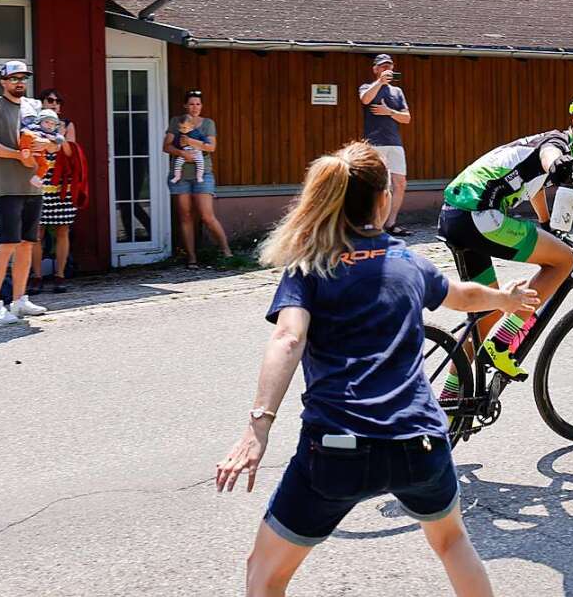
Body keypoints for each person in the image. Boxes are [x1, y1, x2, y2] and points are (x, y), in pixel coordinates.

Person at [216, 141, 539, 597]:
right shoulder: (408, 262)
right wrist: (505, 299)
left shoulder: (311, 266)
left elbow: (288, 338)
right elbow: (462, 296)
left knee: (264, 574)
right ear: (383, 199)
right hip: (420, 443)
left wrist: (258, 426)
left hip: (336, 449)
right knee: (451, 542)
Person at [437, 86, 573, 383]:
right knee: (563, 261)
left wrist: (546, 223)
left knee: (484, 320)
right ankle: (503, 344)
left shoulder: (562, 148)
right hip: (479, 214)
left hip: (456, 216)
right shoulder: (557, 142)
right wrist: (556, 163)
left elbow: (536, 186)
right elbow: (547, 156)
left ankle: (449, 408)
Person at [0, 61, 54, 324]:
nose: (19, 82)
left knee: (27, 245)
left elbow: (51, 139)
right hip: (8, 187)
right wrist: (17, 155)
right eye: (13, 78)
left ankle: (19, 301)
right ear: (3, 81)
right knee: (7, 244)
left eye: (23, 78)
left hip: (33, 186)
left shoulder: (35, 106)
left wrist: (47, 143)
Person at [163, 90, 232, 268]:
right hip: (181, 176)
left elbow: (211, 147)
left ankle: (227, 251)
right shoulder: (176, 122)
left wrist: (191, 142)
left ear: (202, 106)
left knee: (207, 215)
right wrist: (181, 153)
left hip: (203, 175)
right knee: (185, 215)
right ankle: (192, 257)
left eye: (198, 104)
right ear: (186, 105)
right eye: (192, 104)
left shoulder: (208, 123)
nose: (195, 107)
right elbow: (167, 146)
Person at [30, 89, 78, 295]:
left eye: (58, 101)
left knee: (62, 229)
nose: (55, 104)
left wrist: (57, 140)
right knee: (36, 231)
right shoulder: (32, 125)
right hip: (39, 181)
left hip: (61, 183)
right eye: (50, 100)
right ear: (42, 103)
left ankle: (60, 275)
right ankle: (37, 276)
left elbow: (71, 152)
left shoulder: (67, 125)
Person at [359, 53, 412, 236]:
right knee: (379, 185)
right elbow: (365, 99)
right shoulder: (367, 87)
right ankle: (375, 224)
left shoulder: (397, 92)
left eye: (389, 66)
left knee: (400, 183)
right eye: (382, 66)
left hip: (395, 143)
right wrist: (380, 82)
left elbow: (406, 118)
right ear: (375, 69)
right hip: (374, 143)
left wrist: (388, 111)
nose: (386, 69)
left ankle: (391, 223)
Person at [19, 108, 63, 188]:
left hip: (40, 153)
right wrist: (32, 134)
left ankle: (37, 178)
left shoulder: (52, 134)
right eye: (47, 122)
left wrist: (52, 138)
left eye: (53, 124)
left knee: (45, 165)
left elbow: (61, 140)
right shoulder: (34, 127)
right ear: (39, 122)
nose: (50, 125)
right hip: (30, 147)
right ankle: (25, 149)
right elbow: (23, 131)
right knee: (27, 135)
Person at [169, 116, 206, 184]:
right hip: (185, 151)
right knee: (178, 162)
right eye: (180, 128)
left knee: (200, 162)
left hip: (196, 151)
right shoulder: (179, 134)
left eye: (184, 128)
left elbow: (203, 138)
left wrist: (205, 141)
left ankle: (199, 176)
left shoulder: (196, 133)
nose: (182, 130)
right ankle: (177, 176)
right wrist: (179, 145)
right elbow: (176, 143)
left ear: (191, 126)